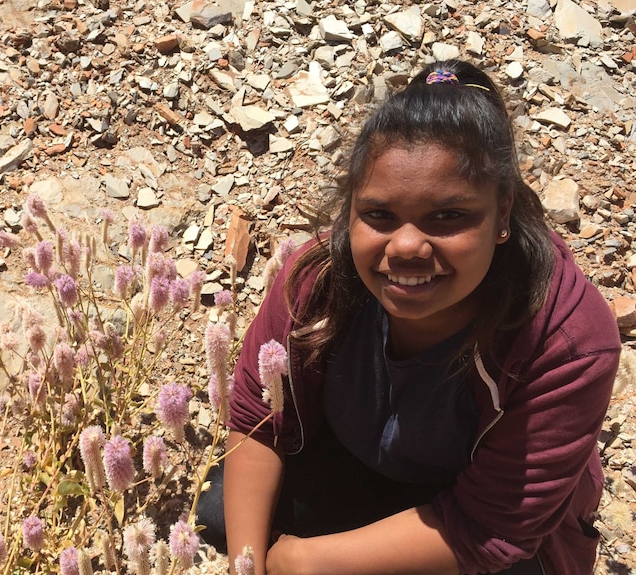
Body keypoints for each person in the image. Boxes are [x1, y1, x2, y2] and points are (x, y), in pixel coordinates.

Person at [197, 60, 621, 575]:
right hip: (355, 469)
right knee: (222, 512)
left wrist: (305, 560)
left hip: (472, 516)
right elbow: (257, 422)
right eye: (379, 215)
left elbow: (493, 529)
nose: (405, 247)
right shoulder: (313, 283)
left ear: (503, 213)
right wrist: (250, 567)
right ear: (350, 210)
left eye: (448, 217)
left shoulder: (565, 337)